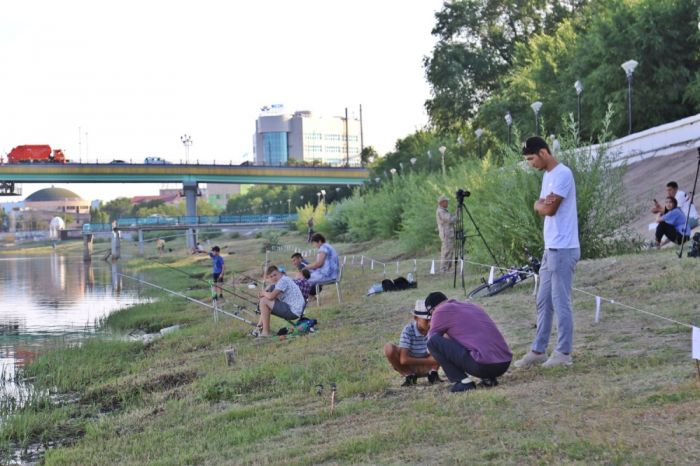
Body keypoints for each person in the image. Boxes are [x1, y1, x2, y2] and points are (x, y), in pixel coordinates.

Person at [515, 136, 580, 369]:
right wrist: (539, 204)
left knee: (561, 301)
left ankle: (563, 353)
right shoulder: (547, 176)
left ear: (543, 153)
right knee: (543, 300)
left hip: (563, 248)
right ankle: (538, 350)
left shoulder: (563, 174)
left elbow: (549, 208)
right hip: (549, 248)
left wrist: (541, 205)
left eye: (531, 158)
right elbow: (542, 203)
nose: (530, 163)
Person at [424, 292, 512, 392]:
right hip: (504, 363)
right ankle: (489, 379)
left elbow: (430, 344)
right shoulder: (470, 306)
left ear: (432, 309)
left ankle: (463, 382)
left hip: (483, 365)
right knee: (469, 339)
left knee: (433, 342)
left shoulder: (439, 311)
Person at [384, 300, 441, 387]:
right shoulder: (408, 330)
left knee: (446, 337)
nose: (430, 323)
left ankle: (433, 373)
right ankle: (409, 375)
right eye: (426, 320)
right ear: (416, 318)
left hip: (429, 365)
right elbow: (403, 360)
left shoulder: (435, 328)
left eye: (432, 319)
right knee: (388, 348)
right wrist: (429, 360)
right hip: (410, 366)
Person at [255, 265, 306, 337]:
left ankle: (265, 333)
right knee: (265, 303)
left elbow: (271, 296)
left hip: (293, 310)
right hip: (295, 309)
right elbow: (271, 296)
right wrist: (266, 291)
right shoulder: (283, 280)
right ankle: (258, 328)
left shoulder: (283, 281)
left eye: (275, 275)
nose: (274, 278)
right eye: (271, 277)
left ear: (279, 273)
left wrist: (263, 293)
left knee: (264, 301)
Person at [436, 195, 455, 273]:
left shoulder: (443, 210)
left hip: (447, 234)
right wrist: (457, 214)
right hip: (446, 234)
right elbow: (450, 220)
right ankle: (444, 269)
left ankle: (447, 268)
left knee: (449, 250)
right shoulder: (441, 211)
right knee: (446, 251)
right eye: (446, 201)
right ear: (442, 202)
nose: (448, 203)